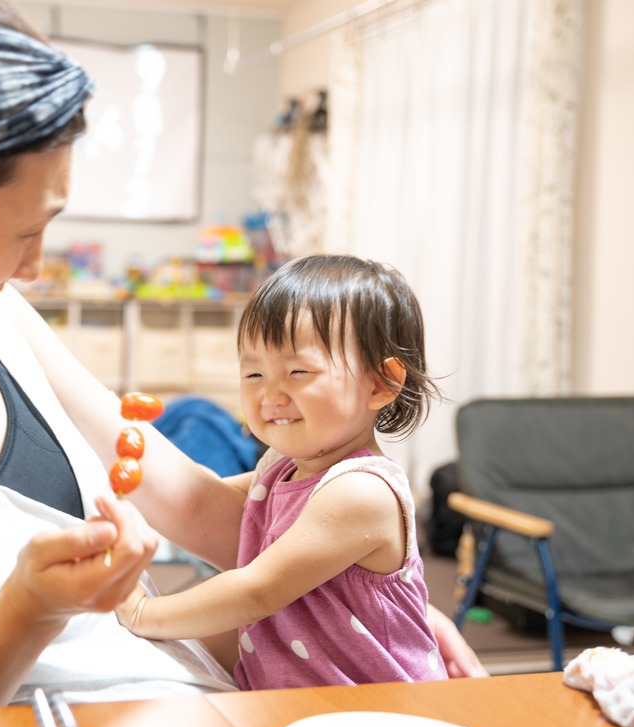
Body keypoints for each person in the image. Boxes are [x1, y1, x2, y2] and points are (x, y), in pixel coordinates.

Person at [0, 0, 485, 718]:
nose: (37, 267)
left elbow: (206, 510)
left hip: (210, 709)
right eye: (24, 233)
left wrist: (372, 598)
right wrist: (26, 613)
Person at [116, 255, 450, 690]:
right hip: (300, 705)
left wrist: (143, 612)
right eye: (253, 372)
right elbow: (204, 494)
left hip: (381, 716)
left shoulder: (361, 492)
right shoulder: (281, 465)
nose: (270, 393)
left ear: (380, 384)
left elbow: (256, 591)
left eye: (298, 372)